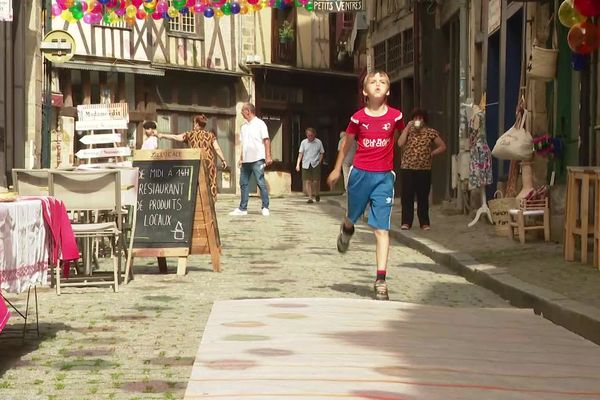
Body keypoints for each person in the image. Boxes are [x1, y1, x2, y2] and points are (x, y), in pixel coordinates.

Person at [327, 70, 405, 301]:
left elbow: (400, 140)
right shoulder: (357, 118)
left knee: (382, 229)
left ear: (388, 90)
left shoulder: (397, 117)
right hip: (360, 174)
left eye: (383, 82)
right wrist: (335, 169)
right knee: (353, 216)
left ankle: (380, 279)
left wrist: (409, 132)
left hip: (383, 177)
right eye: (373, 81)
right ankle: (347, 228)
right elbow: (346, 146)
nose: (378, 84)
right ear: (365, 91)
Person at [157, 115, 228, 202]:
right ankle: (210, 202)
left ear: (197, 124)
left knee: (195, 182)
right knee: (209, 182)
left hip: (196, 162)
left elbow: (176, 137)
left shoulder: (189, 134)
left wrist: (162, 135)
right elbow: (217, 148)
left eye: (194, 123)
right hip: (208, 162)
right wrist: (223, 160)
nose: (193, 125)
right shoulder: (210, 135)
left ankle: (196, 202)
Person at [397, 108, 446, 231]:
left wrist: (432, 153)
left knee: (423, 196)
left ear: (424, 120)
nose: (418, 120)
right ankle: (406, 222)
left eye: (420, 118)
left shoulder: (430, 132)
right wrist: (407, 127)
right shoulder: (408, 131)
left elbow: (442, 146)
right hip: (408, 167)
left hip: (424, 169)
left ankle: (424, 222)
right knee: (407, 196)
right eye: (415, 118)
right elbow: (400, 143)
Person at [229, 103, 272, 216]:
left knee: (260, 182)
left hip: (258, 158)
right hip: (246, 160)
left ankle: (265, 207)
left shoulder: (260, 124)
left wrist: (268, 156)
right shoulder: (243, 126)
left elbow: (266, 140)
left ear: (248, 111)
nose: (241, 113)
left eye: (243, 111)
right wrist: (241, 158)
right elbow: (244, 144)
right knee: (243, 183)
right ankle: (243, 208)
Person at [296, 127, 325, 203]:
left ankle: (317, 193)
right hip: (306, 163)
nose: (310, 137)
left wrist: (320, 161)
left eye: (311, 135)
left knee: (316, 181)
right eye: (308, 135)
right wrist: (298, 164)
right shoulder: (304, 142)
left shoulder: (318, 142)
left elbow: (322, 152)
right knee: (307, 181)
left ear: (314, 135)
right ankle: (310, 197)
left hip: (315, 163)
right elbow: (300, 154)